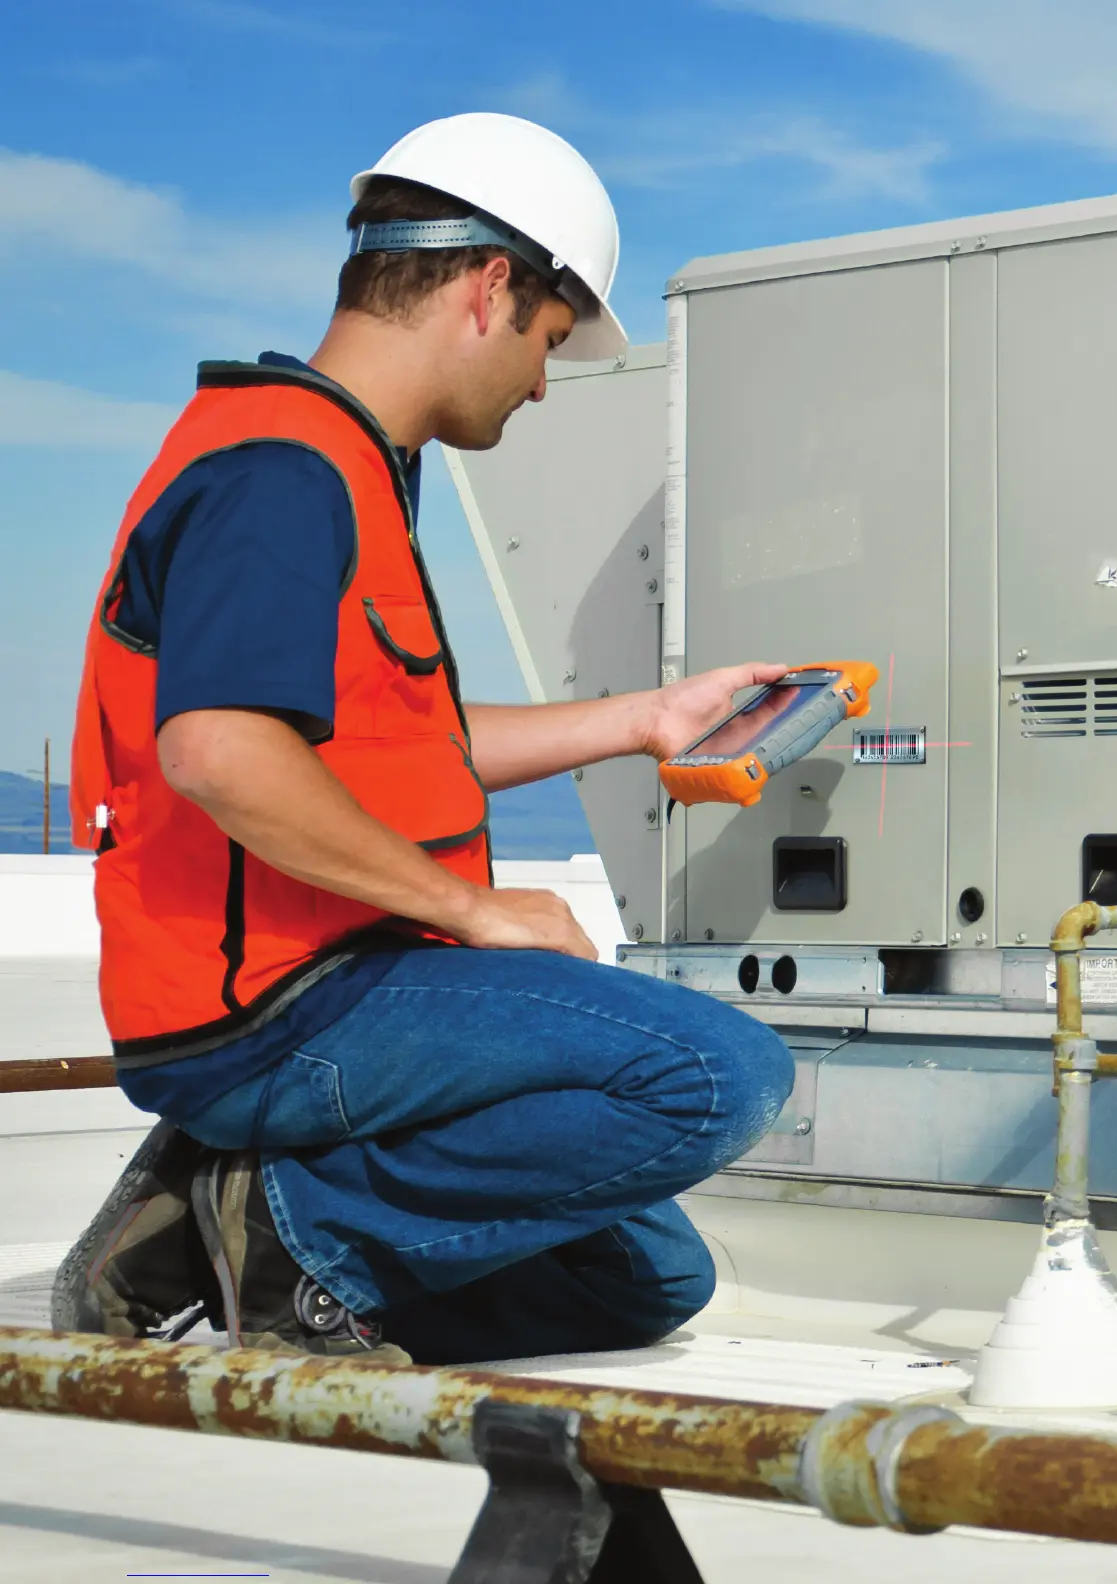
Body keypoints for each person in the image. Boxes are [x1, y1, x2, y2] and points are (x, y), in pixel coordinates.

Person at [63, 112, 794, 1364]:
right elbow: (220, 752)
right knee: (719, 1075)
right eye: (548, 341)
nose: (542, 384)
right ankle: (279, 1226)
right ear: (490, 287)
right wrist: (473, 912)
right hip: (280, 1007)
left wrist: (643, 722)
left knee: (650, 1277)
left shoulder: (342, 462)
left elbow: (412, 744)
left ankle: (241, 1234)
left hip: (349, 982)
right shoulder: (282, 471)